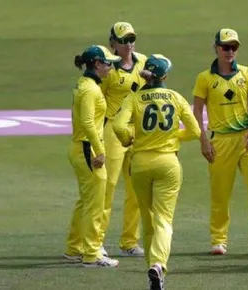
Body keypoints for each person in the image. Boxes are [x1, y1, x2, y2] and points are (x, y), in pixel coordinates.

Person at [113, 54, 201, 290]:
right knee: (164, 220)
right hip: (168, 163)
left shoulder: (134, 97)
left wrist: (128, 139)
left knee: (147, 218)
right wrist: (173, 136)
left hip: (140, 163)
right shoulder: (175, 97)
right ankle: (159, 264)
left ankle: (153, 267)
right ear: (165, 75)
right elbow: (194, 132)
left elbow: (118, 125)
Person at [192, 28, 248, 256]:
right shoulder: (205, 78)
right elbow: (196, 111)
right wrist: (203, 140)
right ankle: (218, 240)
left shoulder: (246, 73)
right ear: (216, 48)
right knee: (220, 193)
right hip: (220, 141)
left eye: (234, 47)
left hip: (247, 140)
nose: (230, 51)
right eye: (225, 47)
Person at [64, 45, 121, 268]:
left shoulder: (86, 85)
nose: (111, 67)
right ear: (97, 64)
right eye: (108, 63)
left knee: (86, 202)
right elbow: (87, 122)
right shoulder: (90, 90)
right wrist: (100, 151)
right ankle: (92, 253)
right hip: (88, 149)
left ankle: (74, 248)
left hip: (81, 148)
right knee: (95, 204)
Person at [98, 21, 147, 257]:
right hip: (112, 131)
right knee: (108, 186)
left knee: (136, 188)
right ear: (113, 43)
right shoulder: (108, 70)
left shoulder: (144, 62)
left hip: (137, 131)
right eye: (123, 40)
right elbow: (97, 102)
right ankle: (96, 242)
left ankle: (129, 241)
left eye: (131, 39)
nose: (129, 44)